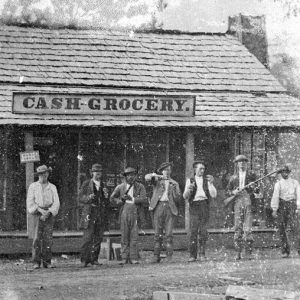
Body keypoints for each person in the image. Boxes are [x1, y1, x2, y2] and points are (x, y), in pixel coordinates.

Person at [145, 162, 182, 263]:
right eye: (165, 170)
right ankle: (156, 256)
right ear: (162, 171)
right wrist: (157, 175)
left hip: (170, 208)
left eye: (169, 170)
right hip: (158, 207)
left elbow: (178, 199)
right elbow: (147, 177)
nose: (167, 172)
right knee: (157, 233)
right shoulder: (156, 181)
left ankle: (169, 256)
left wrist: (175, 192)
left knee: (169, 234)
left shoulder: (174, 183)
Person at [110, 167, 147, 264]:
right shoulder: (120, 187)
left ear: (135, 176)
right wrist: (121, 200)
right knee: (124, 236)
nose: (131, 177)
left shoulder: (140, 186)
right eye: (129, 175)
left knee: (134, 236)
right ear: (125, 177)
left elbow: (144, 199)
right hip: (124, 212)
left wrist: (133, 199)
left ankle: (134, 258)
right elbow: (112, 199)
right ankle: (124, 257)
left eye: (133, 175)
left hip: (136, 213)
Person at [27, 165, 60, 269]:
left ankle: (47, 261)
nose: (44, 175)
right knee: (37, 238)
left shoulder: (52, 187)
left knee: (48, 238)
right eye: (41, 174)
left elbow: (56, 202)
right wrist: (40, 211)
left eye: (46, 173)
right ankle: (36, 262)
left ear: (48, 174)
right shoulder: (33, 186)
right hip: (37, 213)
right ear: (38, 175)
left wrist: (49, 212)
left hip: (49, 214)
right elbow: (30, 201)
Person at [183, 161, 217, 262]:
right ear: (195, 169)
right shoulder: (190, 180)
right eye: (200, 169)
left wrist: (211, 183)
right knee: (193, 231)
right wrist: (189, 190)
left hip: (204, 205)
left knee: (203, 231)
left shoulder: (207, 180)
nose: (202, 171)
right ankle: (192, 255)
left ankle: (202, 254)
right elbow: (185, 196)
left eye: (203, 169)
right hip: (194, 206)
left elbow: (214, 195)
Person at [226, 155, 258, 260]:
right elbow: (228, 191)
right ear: (237, 164)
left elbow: (258, 191)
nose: (242, 164)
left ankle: (248, 253)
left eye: (244, 162)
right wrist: (234, 192)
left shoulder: (252, 176)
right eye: (239, 162)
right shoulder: (233, 178)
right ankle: (238, 253)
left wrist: (254, 187)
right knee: (237, 228)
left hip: (248, 201)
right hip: (238, 202)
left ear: (246, 164)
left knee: (248, 228)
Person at [78, 163, 110, 267]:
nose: (98, 174)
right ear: (92, 173)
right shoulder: (86, 183)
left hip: (100, 213)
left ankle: (94, 259)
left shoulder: (104, 185)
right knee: (87, 237)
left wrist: (106, 196)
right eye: (96, 172)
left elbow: (107, 200)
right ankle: (84, 260)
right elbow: (80, 198)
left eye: (99, 172)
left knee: (98, 237)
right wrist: (88, 198)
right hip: (89, 213)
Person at [271, 165, 300, 257]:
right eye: (283, 172)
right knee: (281, 228)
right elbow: (275, 196)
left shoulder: (295, 182)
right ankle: (285, 251)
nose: (285, 173)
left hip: (292, 205)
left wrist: (298, 207)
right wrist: (275, 209)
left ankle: (299, 249)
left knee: (296, 227)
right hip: (282, 205)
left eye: (286, 172)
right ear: (281, 173)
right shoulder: (278, 184)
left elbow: (298, 194)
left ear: (289, 172)